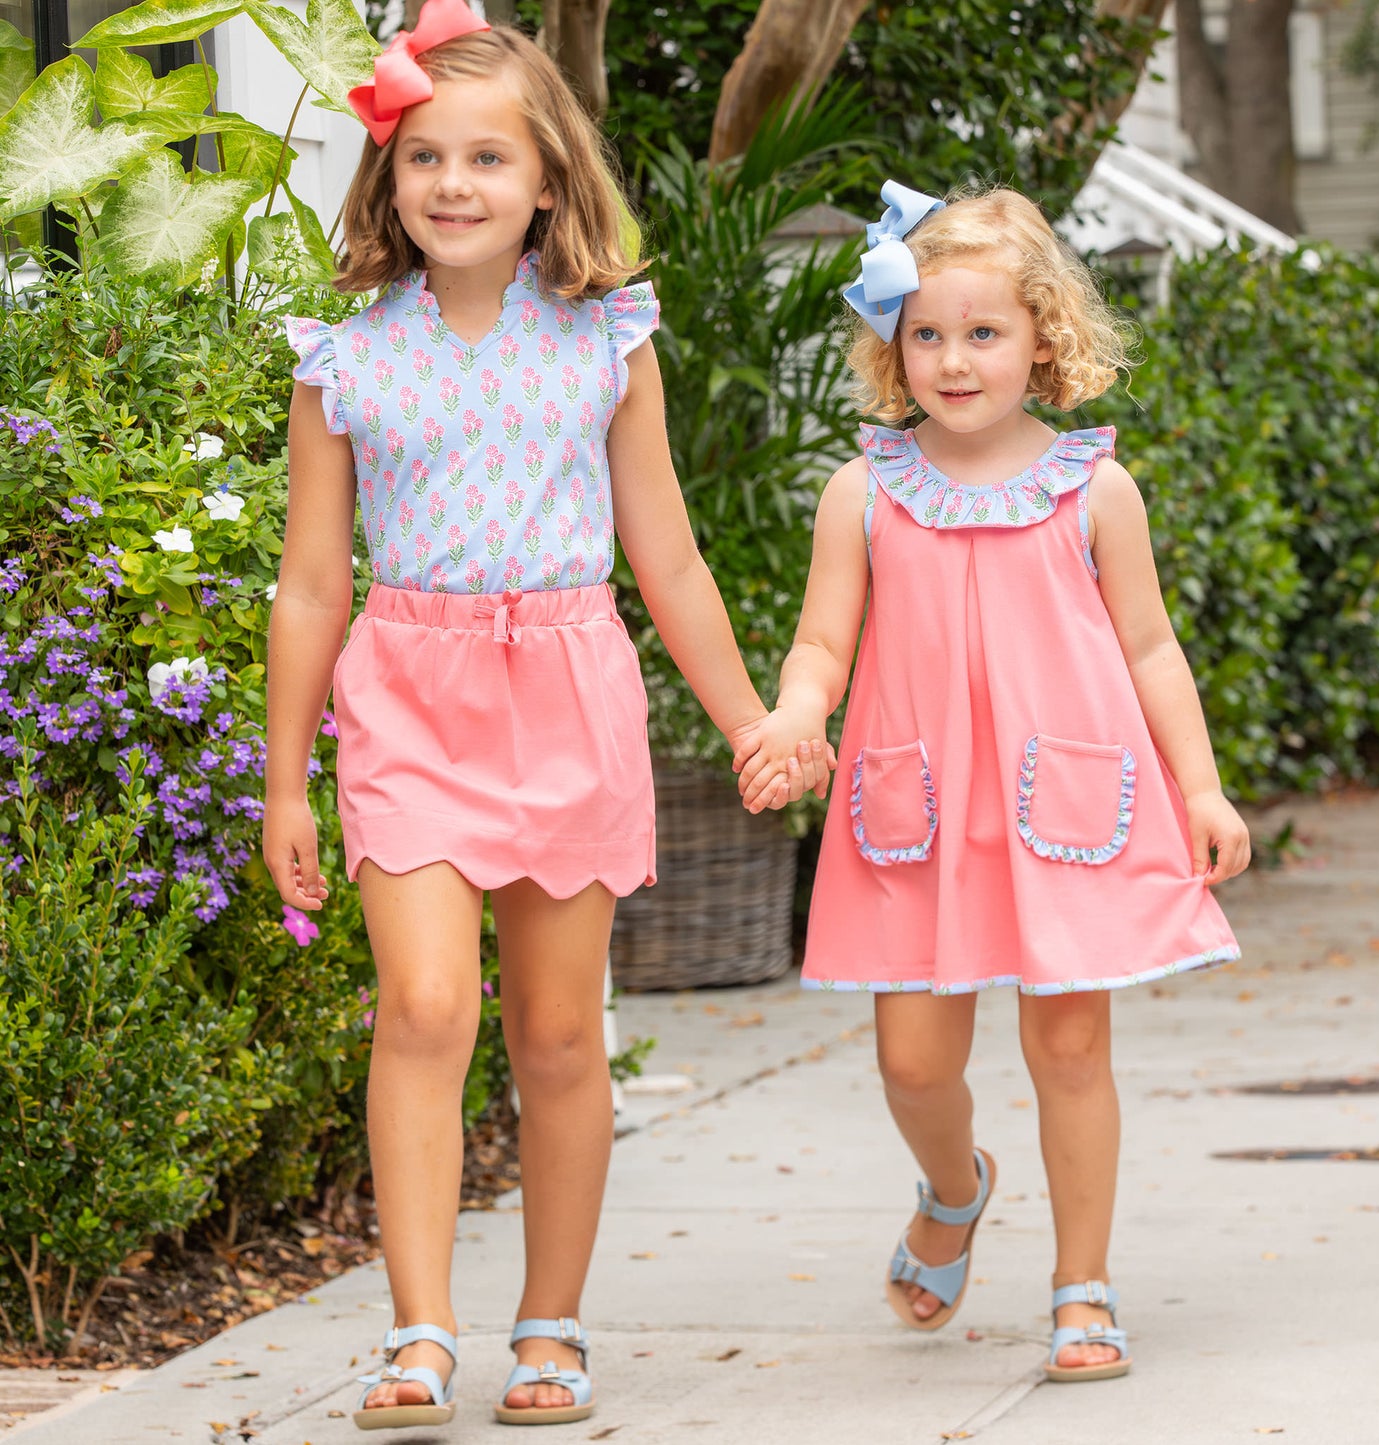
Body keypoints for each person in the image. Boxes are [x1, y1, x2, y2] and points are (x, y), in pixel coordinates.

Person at [263, 2, 821, 1429]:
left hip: (568, 689)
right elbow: (314, 589)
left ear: (547, 181)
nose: (452, 185)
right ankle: (420, 1329)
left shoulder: (606, 337)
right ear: (386, 178)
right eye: (424, 158)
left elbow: (670, 553)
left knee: (563, 1035)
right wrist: (281, 789)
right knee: (426, 1003)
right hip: (411, 697)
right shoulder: (341, 362)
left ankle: (550, 1326)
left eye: (487, 159)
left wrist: (754, 716)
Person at [740, 182, 1250, 1381]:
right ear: (890, 344)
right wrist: (794, 714)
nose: (953, 360)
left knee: (1070, 1048)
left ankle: (1082, 1284)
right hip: (914, 813)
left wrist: (1203, 785)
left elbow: (1146, 649)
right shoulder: (861, 492)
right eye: (926, 333)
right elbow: (821, 644)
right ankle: (955, 1188)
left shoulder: (1091, 489)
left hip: (1064, 809)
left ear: (1042, 339)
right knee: (913, 1062)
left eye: (983, 334)